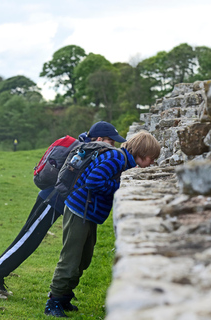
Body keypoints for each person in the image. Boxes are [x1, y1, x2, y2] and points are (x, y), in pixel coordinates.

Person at [0, 121, 127, 300]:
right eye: (111, 141)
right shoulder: (89, 150)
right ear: (100, 138)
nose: (113, 146)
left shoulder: (89, 149)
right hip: (52, 199)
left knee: (29, 239)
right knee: (27, 239)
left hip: (55, 199)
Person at [44, 131, 161, 317]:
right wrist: (122, 187)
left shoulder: (124, 161)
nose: (152, 164)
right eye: (151, 159)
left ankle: (65, 295)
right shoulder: (116, 159)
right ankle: (54, 300)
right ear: (141, 153)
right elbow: (94, 181)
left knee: (84, 258)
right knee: (71, 257)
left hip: (88, 213)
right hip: (79, 209)